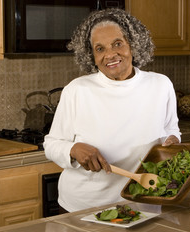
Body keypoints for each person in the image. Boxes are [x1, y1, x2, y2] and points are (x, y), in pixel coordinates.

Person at [43, 8, 181, 213]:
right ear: (91, 55)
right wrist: (73, 149)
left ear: (133, 44)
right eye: (100, 49)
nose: (110, 54)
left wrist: (173, 142)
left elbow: (171, 129)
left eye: (118, 44)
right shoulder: (77, 90)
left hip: (143, 202)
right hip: (85, 207)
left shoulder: (160, 85)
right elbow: (51, 144)